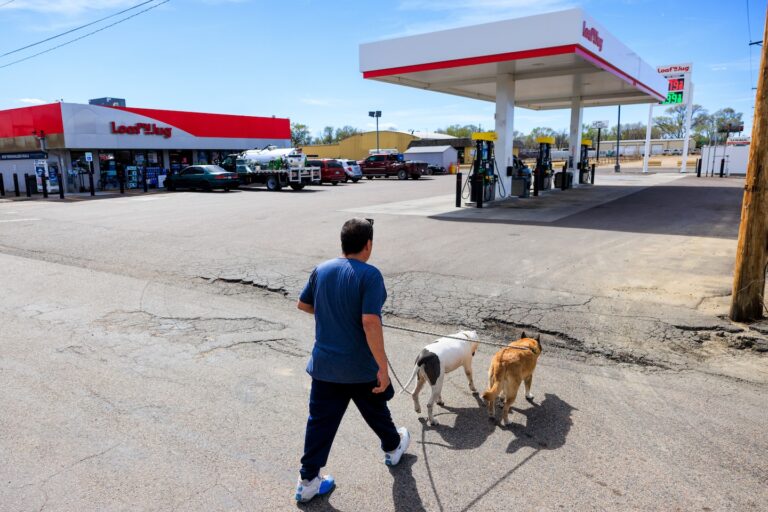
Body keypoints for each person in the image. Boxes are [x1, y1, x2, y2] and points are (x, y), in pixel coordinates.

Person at [294, 218, 410, 503]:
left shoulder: (321, 269)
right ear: (368, 245)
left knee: (320, 423)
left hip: (325, 366)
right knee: (375, 408)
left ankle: (308, 480)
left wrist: (333, 317)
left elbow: (304, 304)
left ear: (343, 243)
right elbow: (370, 321)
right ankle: (393, 448)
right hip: (358, 367)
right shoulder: (370, 275)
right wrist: (383, 366)